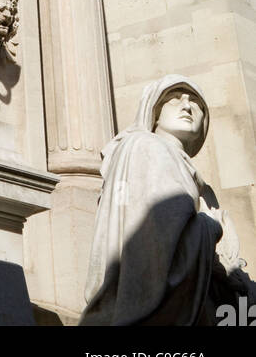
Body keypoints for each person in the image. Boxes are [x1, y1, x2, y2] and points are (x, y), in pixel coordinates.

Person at [81, 74, 256, 326]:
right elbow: (154, 241)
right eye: (174, 99)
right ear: (154, 111)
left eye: (195, 102)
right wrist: (210, 227)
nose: (187, 106)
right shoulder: (147, 147)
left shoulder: (193, 177)